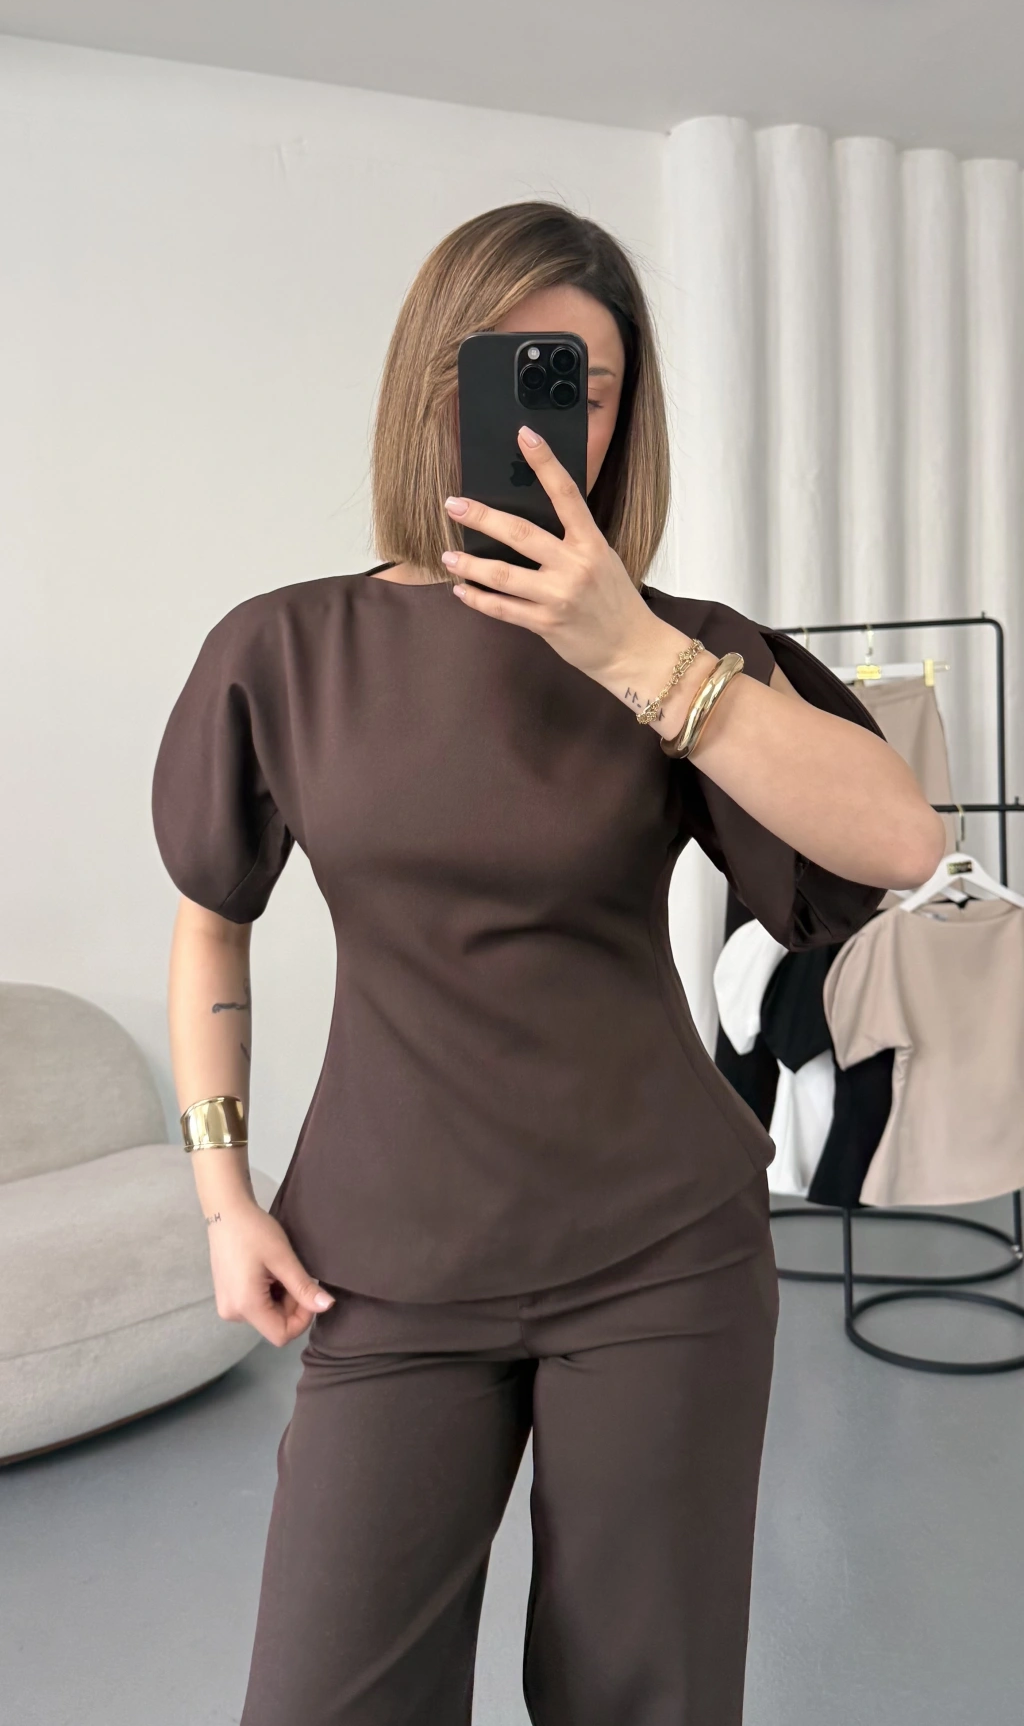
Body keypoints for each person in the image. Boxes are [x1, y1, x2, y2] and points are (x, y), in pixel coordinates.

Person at [151, 201, 945, 1726]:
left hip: (663, 1258)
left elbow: (902, 840)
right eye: (506, 368)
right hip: (380, 1267)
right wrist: (221, 1196)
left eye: (581, 384)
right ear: (429, 387)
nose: (542, 418)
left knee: (641, 1697)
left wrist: (636, 654)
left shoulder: (682, 651)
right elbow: (211, 917)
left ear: (621, 420)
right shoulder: (283, 652)